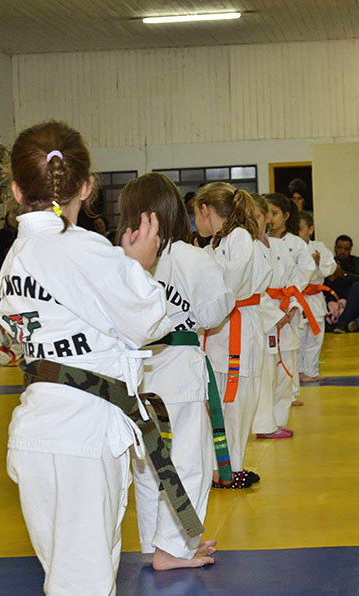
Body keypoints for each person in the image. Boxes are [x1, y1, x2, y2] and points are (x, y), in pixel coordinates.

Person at [0, 121, 177, 594]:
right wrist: (138, 266)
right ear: (87, 186)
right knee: (86, 582)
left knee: (66, 576)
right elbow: (148, 321)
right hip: (83, 435)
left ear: (17, 190)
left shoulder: (15, 257)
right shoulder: (84, 249)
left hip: (36, 431)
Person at [118, 172, 231, 570]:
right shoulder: (190, 257)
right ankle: (173, 548)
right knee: (187, 461)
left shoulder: (122, 257)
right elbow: (216, 310)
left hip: (136, 373)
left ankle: (154, 544)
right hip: (179, 370)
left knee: (148, 463)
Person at [194, 182, 271, 488]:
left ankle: (228, 468)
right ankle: (221, 468)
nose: (195, 222)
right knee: (220, 401)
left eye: (195, 214)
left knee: (236, 401)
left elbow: (228, 283)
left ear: (205, 210)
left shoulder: (239, 237)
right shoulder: (219, 242)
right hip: (220, 329)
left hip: (237, 326)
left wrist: (200, 263)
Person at [262, 193, 315, 432]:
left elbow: (303, 274)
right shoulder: (255, 244)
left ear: (285, 215)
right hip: (264, 308)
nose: (269, 219)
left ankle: (280, 419)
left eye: (274, 213)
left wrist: (292, 304)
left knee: (287, 364)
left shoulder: (296, 244)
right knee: (265, 369)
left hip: (288, 304)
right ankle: (265, 422)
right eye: (265, 214)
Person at [297, 211, 336, 382]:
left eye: (301, 229)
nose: (298, 233)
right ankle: (299, 372)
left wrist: (319, 264)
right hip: (298, 298)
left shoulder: (319, 247)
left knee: (316, 336)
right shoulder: (290, 247)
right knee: (299, 337)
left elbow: (331, 267)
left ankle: (311, 371)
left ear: (311, 229)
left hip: (315, 298)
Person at [326, 234, 359, 332]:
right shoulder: (329, 263)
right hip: (335, 303)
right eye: (340, 248)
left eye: (346, 249)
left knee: (357, 286)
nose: (342, 251)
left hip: (354, 303)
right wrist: (330, 280)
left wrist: (343, 274)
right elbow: (323, 287)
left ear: (350, 250)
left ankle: (342, 324)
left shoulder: (355, 261)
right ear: (335, 249)